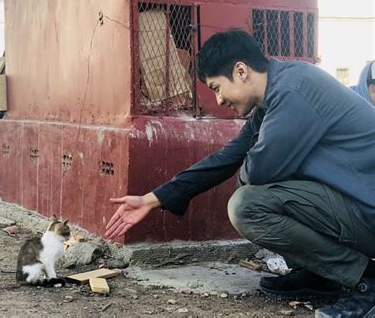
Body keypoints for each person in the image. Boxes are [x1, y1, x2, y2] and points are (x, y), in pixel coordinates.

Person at [105, 29, 375, 317]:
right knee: (267, 188)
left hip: (366, 212)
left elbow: (257, 173)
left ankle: (366, 281)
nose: (219, 100)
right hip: (357, 208)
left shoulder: (293, 92)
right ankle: (322, 275)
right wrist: (153, 199)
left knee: (247, 206)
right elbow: (229, 157)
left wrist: (250, 172)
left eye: (217, 87)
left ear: (241, 70)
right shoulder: (278, 92)